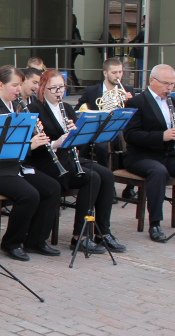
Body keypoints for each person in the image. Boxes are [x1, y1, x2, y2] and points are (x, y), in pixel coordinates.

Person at [0, 66, 62, 261]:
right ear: (0, 85)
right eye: (14, 85)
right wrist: (30, 145)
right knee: (29, 195)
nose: (19, 89)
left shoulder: (16, 107)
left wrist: (35, 133)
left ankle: (35, 240)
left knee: (52, 187)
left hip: (11, 167)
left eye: (20, 85)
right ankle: (11, 242)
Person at [28, 70, 123, 253]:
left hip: (69, 158)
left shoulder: (68, 108)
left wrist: (76, 135)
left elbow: (79, 141)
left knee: (107, 174)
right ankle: (80, 235)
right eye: (53, 88)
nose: (58, 92)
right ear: (43, 88)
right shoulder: (35, 109)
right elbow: (33, 147)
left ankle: (103, 232)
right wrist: (57, 143)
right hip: (47, 162)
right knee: (92, 178)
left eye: (61, 87)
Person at [123, 64, 175, 241]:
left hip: (169, 155)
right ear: (152, 80)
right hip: (141, 156)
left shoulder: (174, 103)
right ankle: (155, 224)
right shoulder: (136, 102)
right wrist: (162, 136)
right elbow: (131, 135)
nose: (170, 88)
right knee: (158, 171)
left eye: (173, 84)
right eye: (166, 83)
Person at [74, 58, 137, 199]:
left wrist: (131, 102)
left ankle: (129, 187)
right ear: (105, 73)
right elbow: (79, 109)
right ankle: (108, 184)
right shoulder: (92, 91)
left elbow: (136, 115)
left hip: (120, 130)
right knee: (102, 147)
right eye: (114, 72)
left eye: (120, 72)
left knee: (133, 145)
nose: (118, 76)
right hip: (99, 130)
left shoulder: (128, 90)